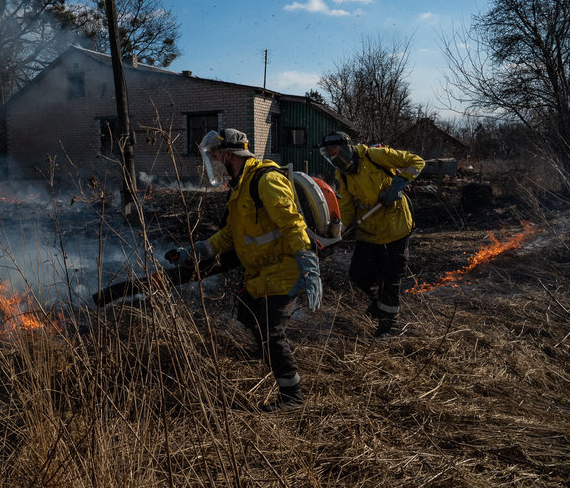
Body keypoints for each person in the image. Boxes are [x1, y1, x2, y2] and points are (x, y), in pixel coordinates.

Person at [172, 128, 322, 411]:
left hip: (285, 270)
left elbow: (292, 223)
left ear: (229, 154)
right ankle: (269, 356)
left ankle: (292, 397)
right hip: (262, 272)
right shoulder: (240, 186)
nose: (214, 162)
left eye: (215, 156)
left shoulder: (266, 181)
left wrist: (309, 265)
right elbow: (231, 234)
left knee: (271, 331)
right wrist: (197, 251)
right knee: (246, 310)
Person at [319, 131, 424, 338]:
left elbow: (416, 161)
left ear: (346, 147)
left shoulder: (374, 156)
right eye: (328, 154)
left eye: (335, 151)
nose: (333, 157)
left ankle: (388, 326)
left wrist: (400, 182)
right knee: (359, 274)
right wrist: (335, 233)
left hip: (396, 227)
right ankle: (379, 303)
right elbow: (346, 209)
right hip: (369, 231)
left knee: (390, 278)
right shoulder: (343, 175)